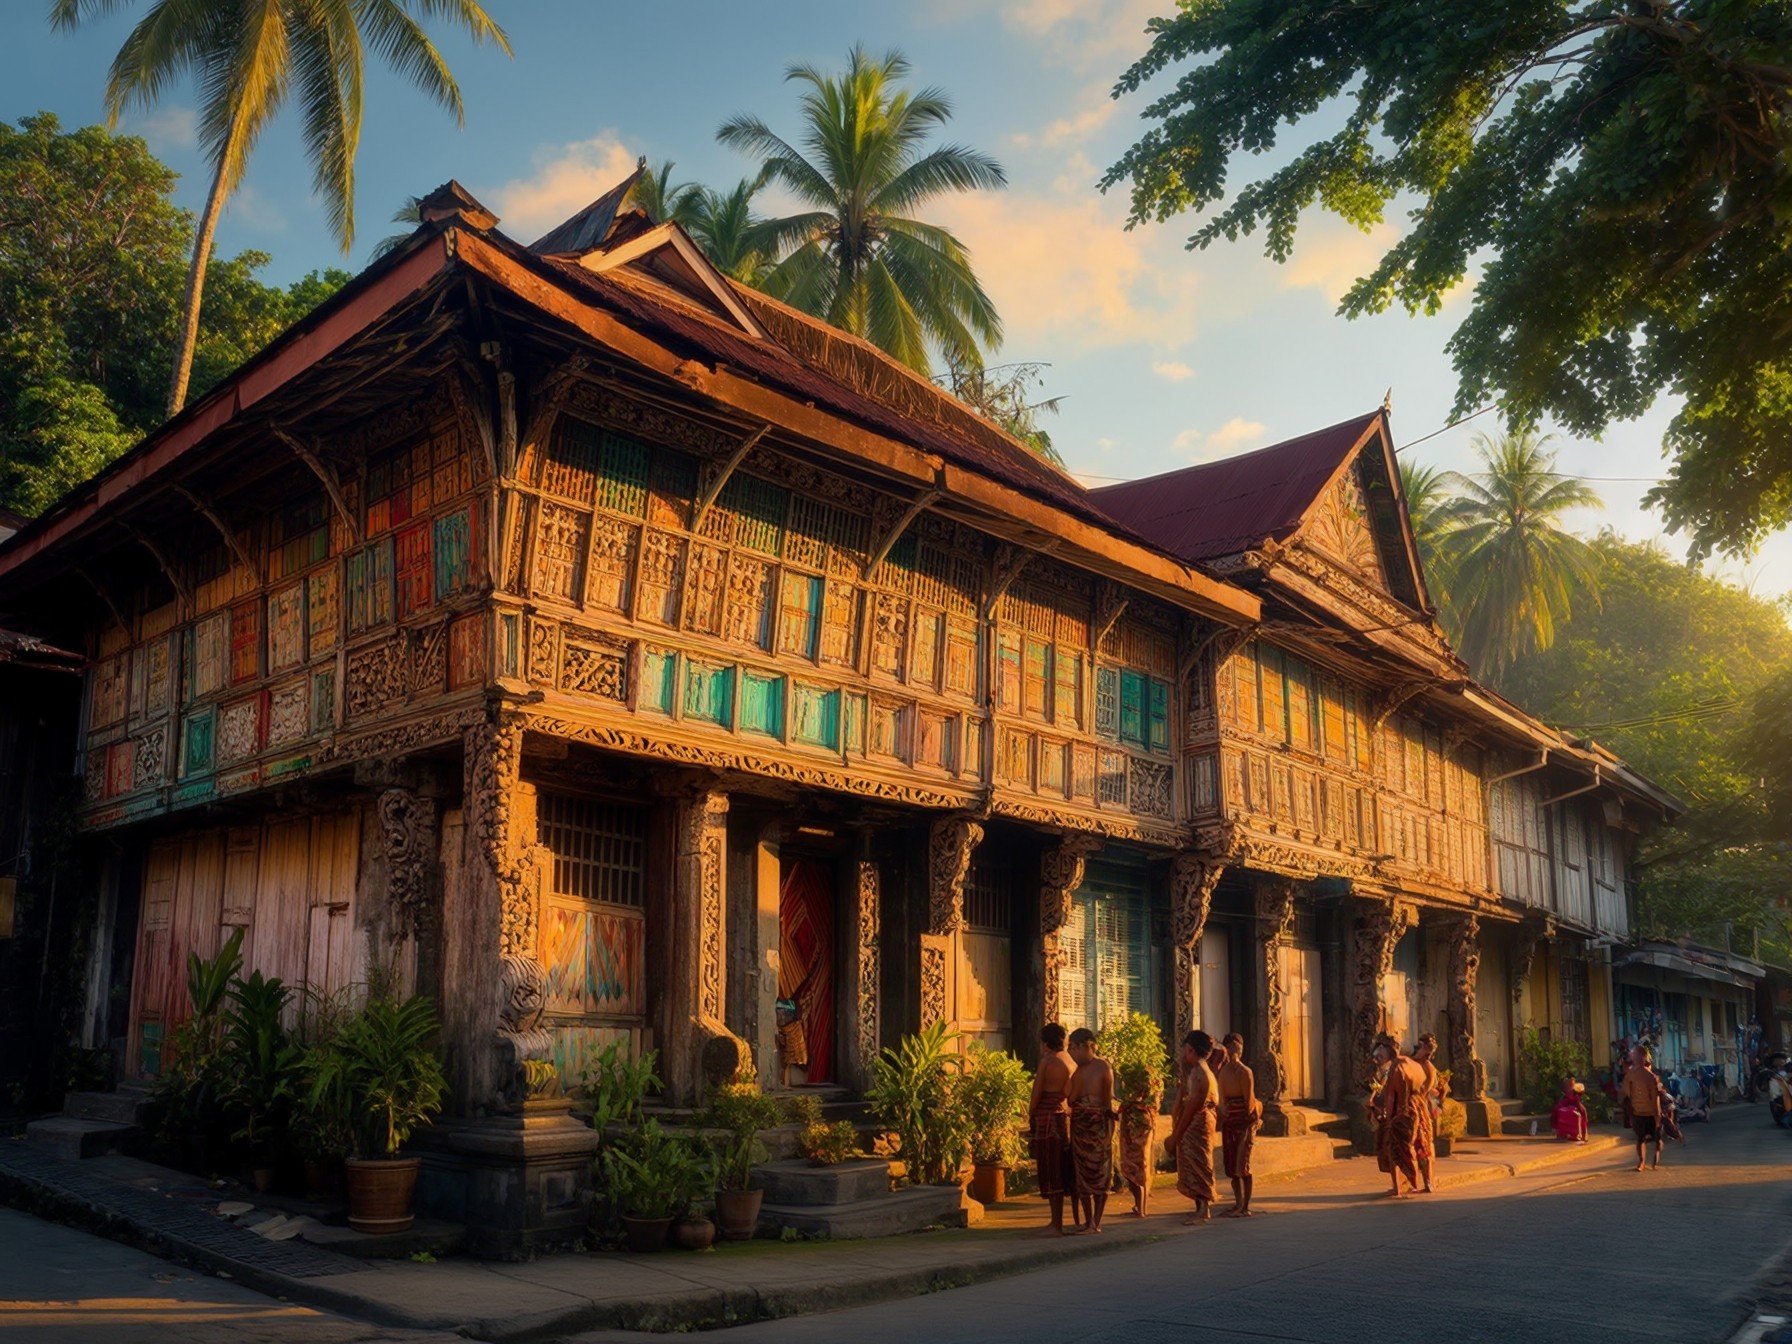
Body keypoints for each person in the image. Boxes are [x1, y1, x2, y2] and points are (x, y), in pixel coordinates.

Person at [1065, 1027, 1116, 1234]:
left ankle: (1095, 1221)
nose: (1071, 1053)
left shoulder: (1103, 1067)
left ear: (1085, 1046)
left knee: (1102, 1173)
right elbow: (1071, 1099)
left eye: (1074, 1049)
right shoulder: (1077, 1072)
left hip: (1099, 1125)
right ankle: (1089, 1222)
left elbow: (1107, 1102)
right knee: (1082, 1175)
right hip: (1082, 1127)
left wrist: (1109, 1130)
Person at [1027, 1023, 1075, 1235]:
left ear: (1044, 1043)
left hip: (1047, 1117)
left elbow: (1036, 1094)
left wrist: (1031, 1114)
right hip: (1062, 1117)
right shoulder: (1069, 1060)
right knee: (1061, 1166)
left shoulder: (1048, 1061)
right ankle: (1060, 1221)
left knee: (1051, 1168)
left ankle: (1056, 1224)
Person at [1169, 1029, 1219, 1224]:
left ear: (1191, 1050)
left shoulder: (1200, 1072)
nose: (1183, 1055)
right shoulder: (1199, 1070)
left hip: (1198, 1121)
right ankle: (1199, 1207)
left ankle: (1204, 1209)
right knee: (1194, 1160)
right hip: (1199, 1121)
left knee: (1199, 1161)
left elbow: (1193, 1105)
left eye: (1186, 1051)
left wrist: (1177, 1133)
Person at [1372, 1036, 1426, 1198]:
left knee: (1395, 1150)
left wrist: (1386, 1116)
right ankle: (1412, 1183)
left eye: (1380, 1049)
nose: (1378, 1053)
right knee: (1410, 1147)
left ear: (1388, 1051)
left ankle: (1402, 1186)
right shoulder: (1414, 1065)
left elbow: (1390, 1097)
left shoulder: (1396, 1068)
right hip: (1416, 1108)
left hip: (1400, 1112)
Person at [1217, 1031, 1261, 1217]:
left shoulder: (1245, 1072)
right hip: (1231, 1122)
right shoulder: (1224, 1072)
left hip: (1244, 1123)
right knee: (1233, 1166)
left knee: (1243, 1165)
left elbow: (1249, 1103)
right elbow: (1222, 1102)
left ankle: (1244, 1206)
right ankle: (1239, 1204)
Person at [1621, 1044, 1670, 1171]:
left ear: (1642, 1058)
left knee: (1656, 1139)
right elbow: (1626, 1093)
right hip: (1638, 1112)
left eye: (1636, 1055)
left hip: (1651, 1113)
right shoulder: (1630, 1075)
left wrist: (1658, 1116)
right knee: (1640, 1139)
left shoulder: (1651, 1078)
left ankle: (1655, 1157)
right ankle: (1641, 1162)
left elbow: (1655, 1099)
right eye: (1633, 1055)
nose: (1634, 1058)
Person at [1411, 1033, 1443, 1193]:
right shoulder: (1411, 1062)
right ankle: (1411, 1181)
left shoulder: (1429, 1068)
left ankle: (1428, 1181)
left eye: (1430, 1052)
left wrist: (1419, 1099)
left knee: (1424, 1145)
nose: (1428, 1054)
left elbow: (1428, 1089)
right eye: (1426, 1049)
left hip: (1421, 1109)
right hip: (1411, 1107)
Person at [1552, 1075, 1589, 1142]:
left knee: (1583, 1111)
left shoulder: (1576, 1092)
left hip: (1575, 1104)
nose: (1569, 1087)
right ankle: (1558, 1130)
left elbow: (1578, 1099)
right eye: (1568, 1085)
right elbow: (1561, 1104)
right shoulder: (1564, 1096)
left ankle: (1584, 1133)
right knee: (1556, 1110)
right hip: (1566, 1104)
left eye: (1571, 1085)